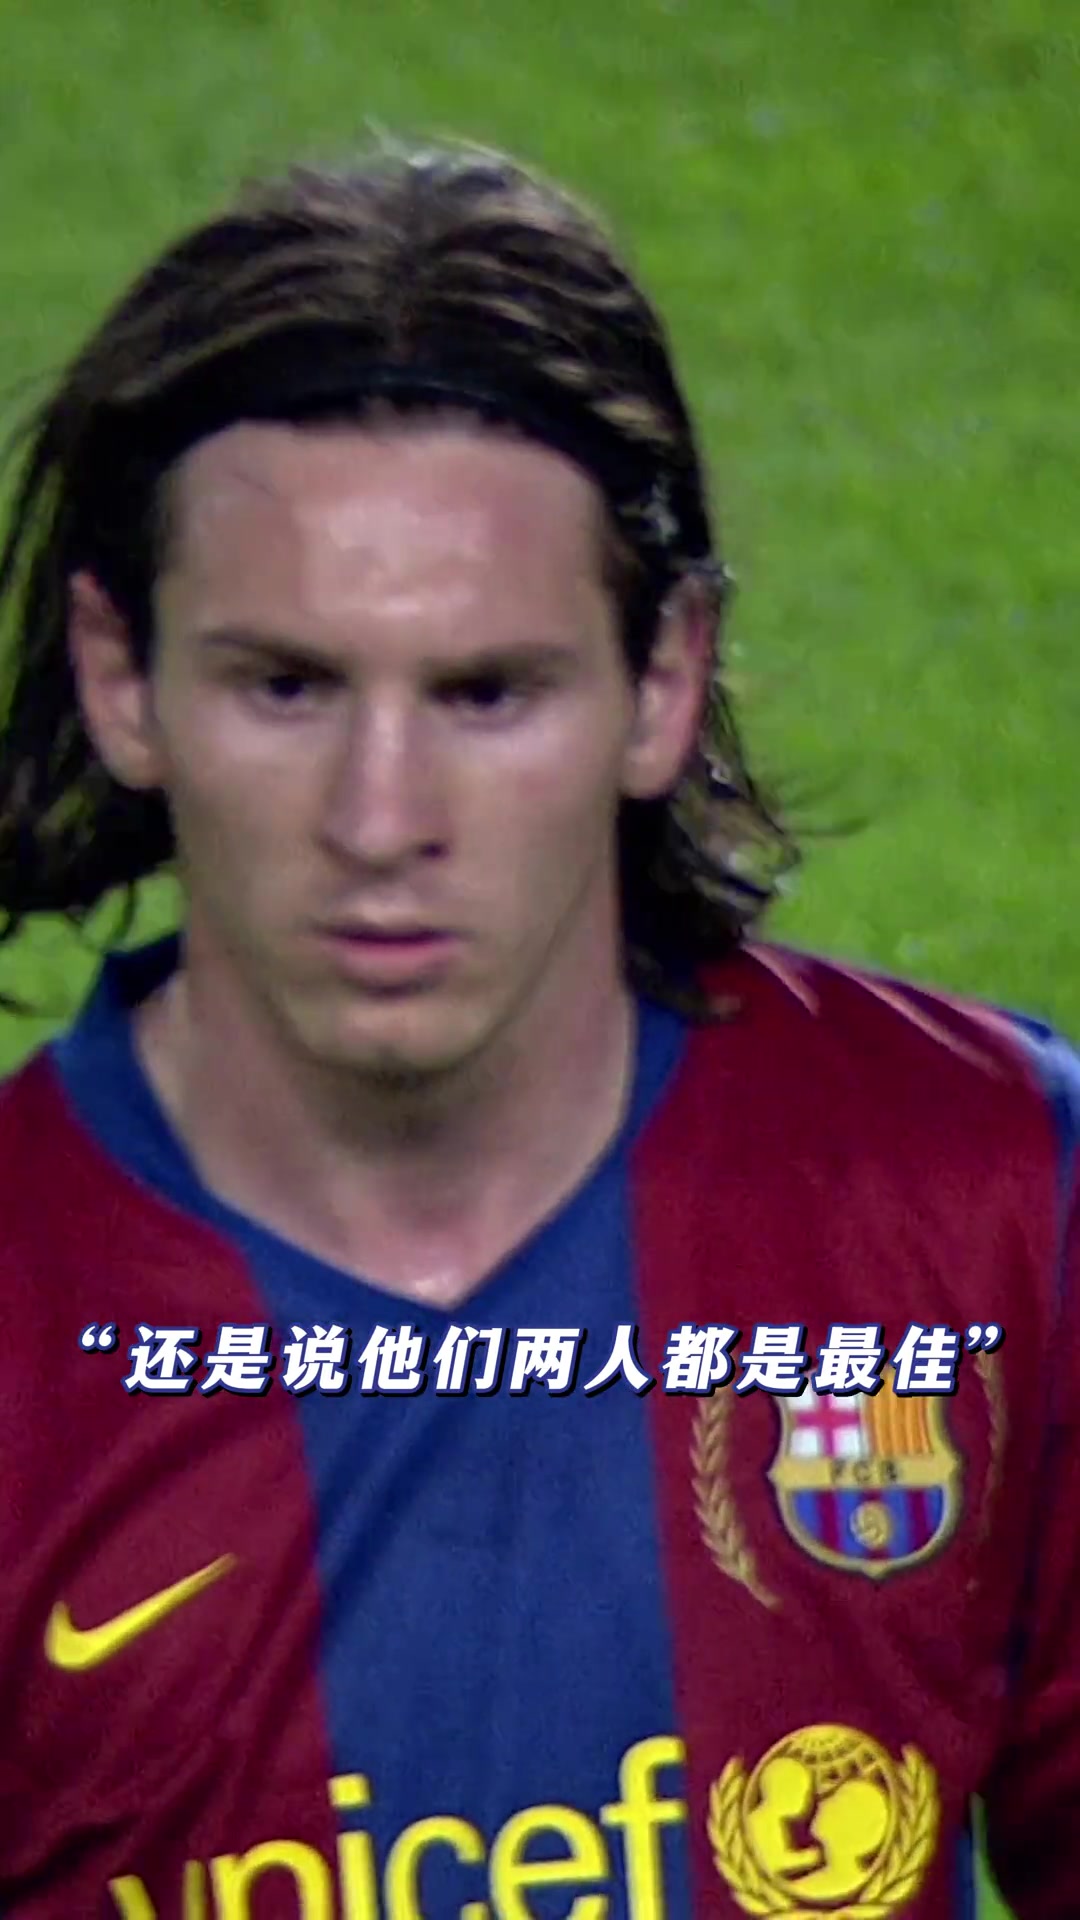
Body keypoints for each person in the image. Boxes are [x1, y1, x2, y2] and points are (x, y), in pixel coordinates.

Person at [0, 138, 1075, 1920]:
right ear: (126, 680)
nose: (380, 816)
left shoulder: (997, 1199)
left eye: (487, 691)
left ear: (663, 681)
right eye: (287, 685)